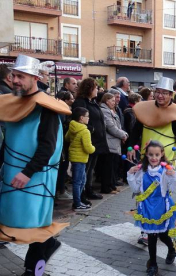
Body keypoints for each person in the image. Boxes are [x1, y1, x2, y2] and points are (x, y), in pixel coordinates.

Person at [0, 54, 71, 275]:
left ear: (34, 78)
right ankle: (47, 246)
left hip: (36, 176)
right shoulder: (13, 103)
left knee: (34, 222)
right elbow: (9, 140)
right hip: (12, 173)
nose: (15, 80)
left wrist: (27, 172)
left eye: (21, 76)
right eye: (14, 76)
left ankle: (33, 268)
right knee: (14, 220)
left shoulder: (46, 107)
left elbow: (47, 147)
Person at [127, 140, 176, 276]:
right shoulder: (142, 170)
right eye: (150, 155)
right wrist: (130, 174)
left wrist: (174, 176)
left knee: (163, 235)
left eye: (157, 154)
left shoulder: (165, 170)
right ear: (146, 155)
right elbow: (135, 188)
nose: (154, 158)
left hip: (162, 207)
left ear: (162, 154)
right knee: (151, 236)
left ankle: (171, 248)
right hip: (147, 207)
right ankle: (153, 264)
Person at [128, 77, 176, 177]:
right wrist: (131, 147)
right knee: (143, 188)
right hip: (146, 158)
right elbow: (136, 130)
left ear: (171, 94)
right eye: (157, 92)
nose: (160, 96)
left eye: (164, 93)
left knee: (163, 191)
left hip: (167, 161)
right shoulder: (146, 109)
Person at [72, 78, 109, 201]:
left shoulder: (92, 102)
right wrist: (91, 129)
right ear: (89, 89)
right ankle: (82, 194)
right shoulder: (80, 102)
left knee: (90, 169)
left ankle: (89, 189)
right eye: (95, 88)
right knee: (85, 169)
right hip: (87, 141)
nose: (97, 90)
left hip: (96, 142)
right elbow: (78, 119)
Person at [65, 107, 95, 211]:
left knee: (82, 180)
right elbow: (88, 148)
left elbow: (67, 138)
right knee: (78, 182)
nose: (88, 119)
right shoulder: (85, 131)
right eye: (87, 116)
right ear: (81, 118)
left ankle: (77, 202)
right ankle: (77, 204)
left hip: (73, 157)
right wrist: (94, 148)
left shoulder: (72, 126)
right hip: (81, 158)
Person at [100, 93, 128, 194]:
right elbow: (111, 127)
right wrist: (123, 135)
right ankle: (107, 187)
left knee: (112, 166)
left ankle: (111, 185)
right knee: (108, 167)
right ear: (107, 101)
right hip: (110, 142)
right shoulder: (105, 111)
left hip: (114, 141)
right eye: (112, 100)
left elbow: (117, 125)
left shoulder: (111, 110)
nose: (114, 102)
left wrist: (123, 134)